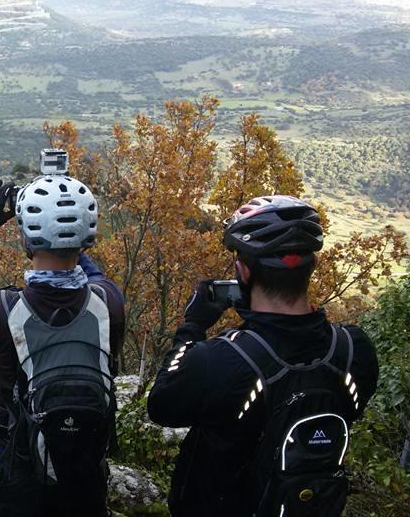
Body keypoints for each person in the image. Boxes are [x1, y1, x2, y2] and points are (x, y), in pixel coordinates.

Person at [147, 195, 379, 516]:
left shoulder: (220, 359)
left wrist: (192, 326)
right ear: (311, 266)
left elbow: (161, 404)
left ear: (242, 271)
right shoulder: (354, 349)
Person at [0, 171, 125, 517]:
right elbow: (92, 274)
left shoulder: (3, 311)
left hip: (19, 469)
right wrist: (66, 220)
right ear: (86, 239)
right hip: (86, 469)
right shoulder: (109, 302)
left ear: (26, 240)